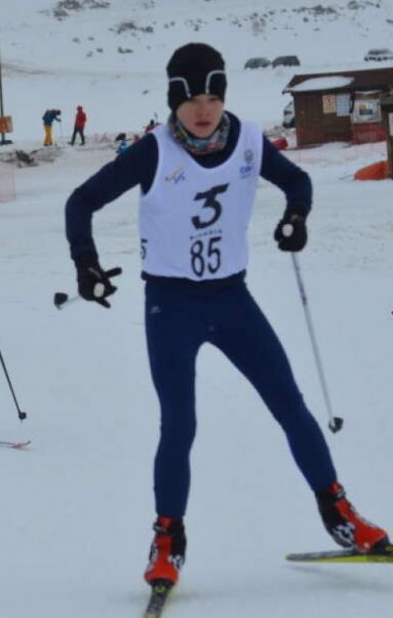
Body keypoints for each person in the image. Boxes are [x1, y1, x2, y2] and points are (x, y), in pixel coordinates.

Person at [64, 42, 390, 591]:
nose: (203, 109)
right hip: (171, 305)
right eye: (191, 98)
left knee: (290, 405)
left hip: (233, 301)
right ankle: (168, 536)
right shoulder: (153, 151)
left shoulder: (246, 141)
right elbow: (81, 202)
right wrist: (86, 264)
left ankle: (340, 514)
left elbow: (298, 182)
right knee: (180, 423)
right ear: (174, 101)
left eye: (213, 96)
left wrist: (296, 216)